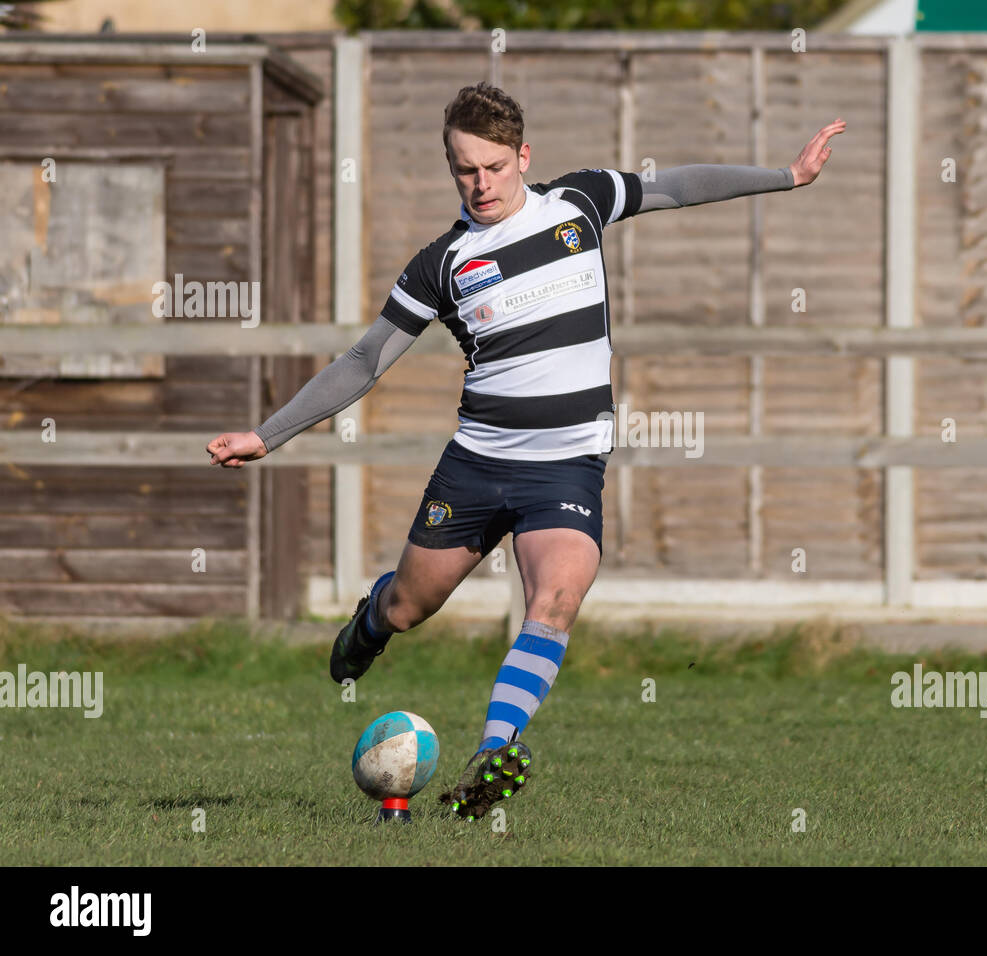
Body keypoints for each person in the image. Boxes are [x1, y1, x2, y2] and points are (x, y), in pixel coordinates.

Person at [206, 82, 844, 820]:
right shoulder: (441, 264)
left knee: (556, 600)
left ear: (523, 157)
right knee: (413, 605)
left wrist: (786, 176)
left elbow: (672, 187)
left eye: (493, 167)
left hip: (568, 467)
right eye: (464, 170)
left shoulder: (580, 203)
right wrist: (267, 434)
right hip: (477, 467)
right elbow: (364, 361)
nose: (479, 184)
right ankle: (370, 624)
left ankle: (492, 753)